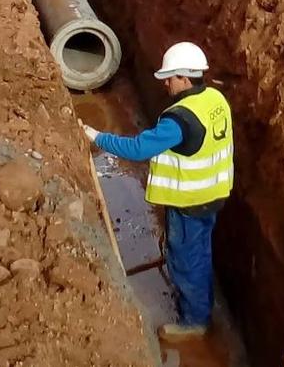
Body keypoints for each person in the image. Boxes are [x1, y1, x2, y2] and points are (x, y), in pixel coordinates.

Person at [80, 42, 234, 342]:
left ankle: (195, 322)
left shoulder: (180, 120)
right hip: (213, 195)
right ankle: (201, 302)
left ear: (185, 78)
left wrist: (97, 137)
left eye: (170, 78)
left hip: (189, 203)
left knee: (186, 261)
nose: (166, 83)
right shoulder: (215, 99)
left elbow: (138, 149)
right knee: (200, 252)